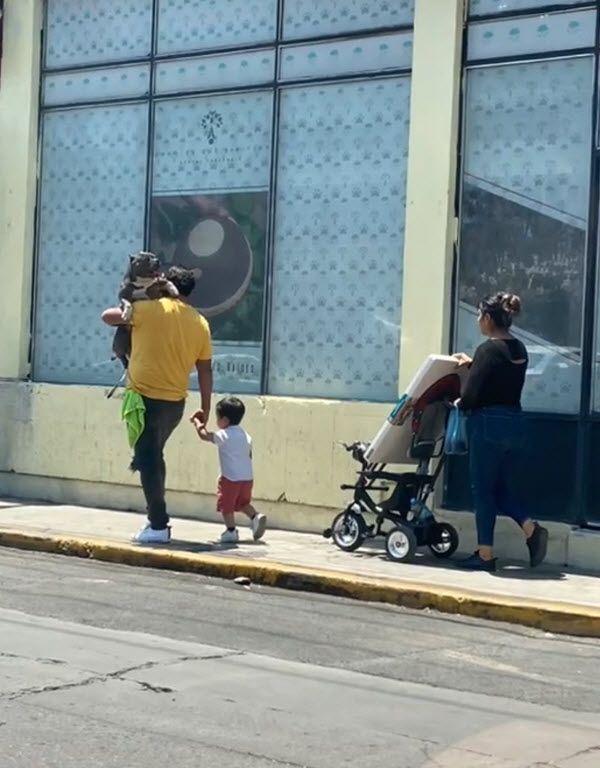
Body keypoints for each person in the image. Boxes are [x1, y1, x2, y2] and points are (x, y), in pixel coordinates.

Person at [101, 264, 213, 544]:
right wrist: (206, 408)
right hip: (175, 405)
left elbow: (107, 317)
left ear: (165, 283)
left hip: (144, 400)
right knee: (154, 457)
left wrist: (137, 297)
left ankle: (158, 525)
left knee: (148, 460)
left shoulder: (148, 310)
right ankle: (156, 520)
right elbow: (205, 370)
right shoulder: (200, 322)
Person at [453, 292, 548, 572]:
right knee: (500, 489)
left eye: (480, 315)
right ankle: (531, 529)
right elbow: (501, 374)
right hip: (514, 424)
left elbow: (470, 397)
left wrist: (457, 399)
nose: (477, 320)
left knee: (482, 492)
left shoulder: (487, 349)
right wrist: (474, 365)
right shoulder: (519, 348)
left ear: (489, 318)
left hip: (487, 426)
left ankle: (485, 556)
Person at [192, 396, 266, 544]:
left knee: (227, 506)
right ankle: (255, 517)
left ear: (224, 420)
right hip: (247, 478)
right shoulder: (246, 435)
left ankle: (231, 531)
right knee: (242, 503)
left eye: (217, 418)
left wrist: (197, 423)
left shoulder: (224, 435)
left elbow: (204, 436)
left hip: (229, 479)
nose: (216, 421)